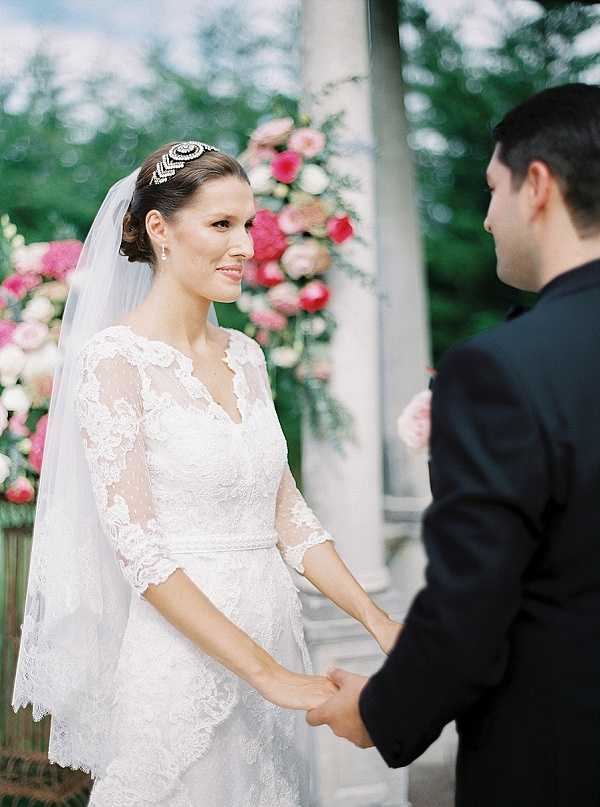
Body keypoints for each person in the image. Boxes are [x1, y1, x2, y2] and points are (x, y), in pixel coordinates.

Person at [12, 141, 402, 806]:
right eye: (221, 225)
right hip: (184, 660)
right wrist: (271, 675)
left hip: (277, 631)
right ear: (160, 229)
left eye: (248, 224)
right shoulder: (115, 359)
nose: (245, 246)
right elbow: (138, 548)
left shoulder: (247, 355)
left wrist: (380, 621)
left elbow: (291, 519)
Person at [307, 83, 600, 806]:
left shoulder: (503, 368)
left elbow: (473, 609)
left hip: (557, 760)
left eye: (491, 189)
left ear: (537, 185)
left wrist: (377, 710)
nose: (485, 217)